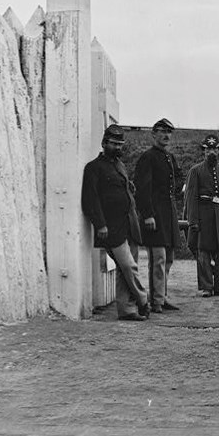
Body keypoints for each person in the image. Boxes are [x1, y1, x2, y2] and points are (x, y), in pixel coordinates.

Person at [81, 124, 150, 321]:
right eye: (113, 144)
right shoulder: (93, 168)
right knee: (129, 266)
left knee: (123, 269)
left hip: (129, 223)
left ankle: (127, 310)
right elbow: (90, 199)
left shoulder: (119, 166)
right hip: (111, 227)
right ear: (104, 143)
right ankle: (143, 300)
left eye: (120, 144)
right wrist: (100, 224)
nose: (117, 148)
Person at [134, 118, 183, 313]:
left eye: (169, 132)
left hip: (168, 213)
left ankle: (161, 297)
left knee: (169, 258)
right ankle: (155, 302)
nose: (166, 135)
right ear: (153, 134)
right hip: (154, 214)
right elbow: (142, 189)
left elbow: (177, 179)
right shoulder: (148, 157)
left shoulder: (169, 157)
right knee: (158, 259)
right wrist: (147, 214)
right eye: (161, 131)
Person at [184, 134, 219, 297]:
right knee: (204, 253)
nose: (211, 152)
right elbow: (191, 198)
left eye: (214, 149)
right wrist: (193, 220)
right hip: (203, 215)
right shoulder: (196, 171)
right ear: (204, 152)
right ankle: (207, 287)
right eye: (208, 150)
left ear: (218, 150)